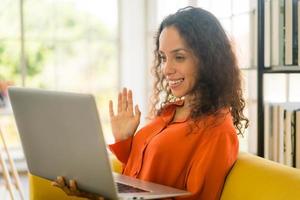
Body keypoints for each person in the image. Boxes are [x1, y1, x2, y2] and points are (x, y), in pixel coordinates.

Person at [53, 6, 249, 200]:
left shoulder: (217, 130)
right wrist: (124, 140)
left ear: (209, 60)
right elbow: (141, 177)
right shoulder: (170, 112)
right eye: (163, 58)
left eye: (179, 57)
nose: (166, 69)